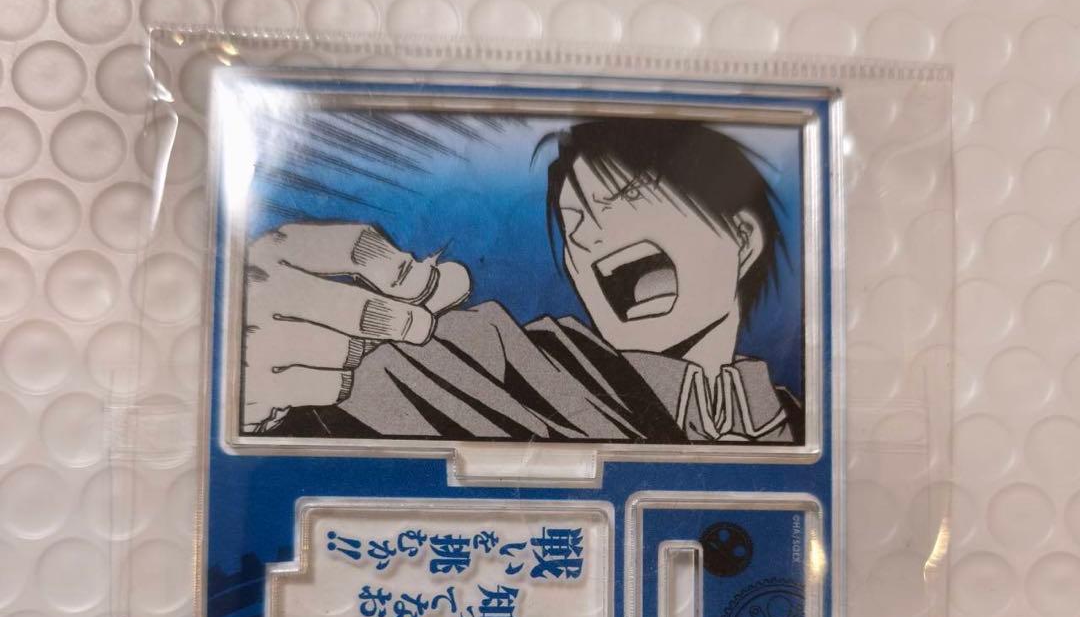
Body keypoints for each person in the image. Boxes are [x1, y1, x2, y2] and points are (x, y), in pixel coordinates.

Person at [240, 117, 802, 444]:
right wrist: (255, 374)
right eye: (574, 222)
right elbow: (371, 375)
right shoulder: (510, 364)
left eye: (625, 196)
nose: (590, 235)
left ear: (742, 239)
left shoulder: (803, 425)